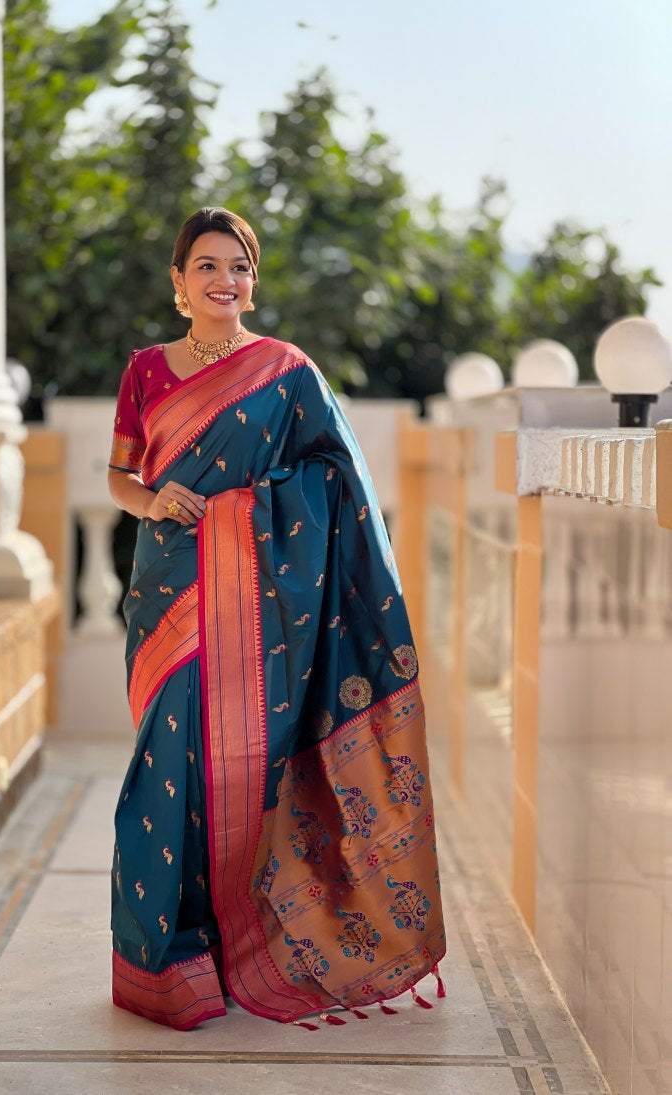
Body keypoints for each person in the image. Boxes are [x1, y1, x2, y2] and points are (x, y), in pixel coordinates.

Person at [107, 207, 445, 1031]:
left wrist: (241, 511)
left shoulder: (287, 372)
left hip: (257, 597)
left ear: (253, 282)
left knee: (241, 764)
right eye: (208, 266)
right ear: (179, 280)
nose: (224, 280)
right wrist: (155, 500)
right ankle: (164, 955)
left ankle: (235, 944)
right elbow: (120, 476)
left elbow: (339, 476)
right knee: (168, 761)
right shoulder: (146, 369)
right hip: (168, 589)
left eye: (239, 267)